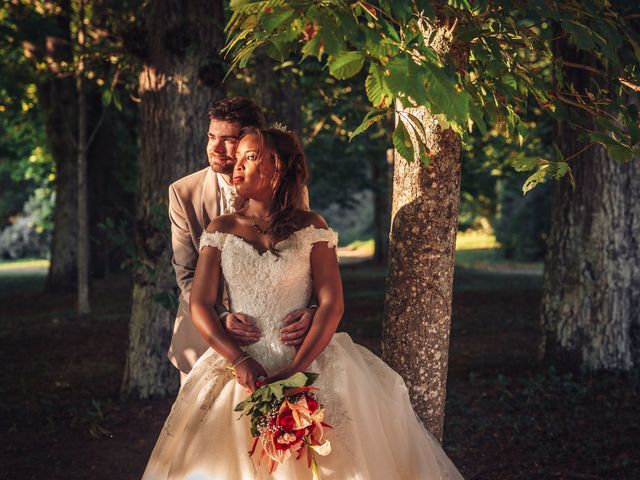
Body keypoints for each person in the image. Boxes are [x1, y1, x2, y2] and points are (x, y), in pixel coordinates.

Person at [143, 126, 464, 479]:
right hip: (241, 364)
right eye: (236, 160)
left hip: (307, 357)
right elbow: (200, 304)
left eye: (250, 158)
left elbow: (331, 304)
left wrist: (298, 368)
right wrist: (239, 359)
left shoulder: (313, 227)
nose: (237, 167)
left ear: (278, 167)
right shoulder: (221, 229)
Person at [167, 97, 315, 385]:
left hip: (277, 340)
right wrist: (221, 317)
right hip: (201, 342)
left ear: (251, 140)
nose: (215, 148)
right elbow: (185, 273)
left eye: (227, 140)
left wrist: (310, 311)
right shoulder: (183, 192)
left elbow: (304, 257)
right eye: (211, 137)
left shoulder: (290, 190)